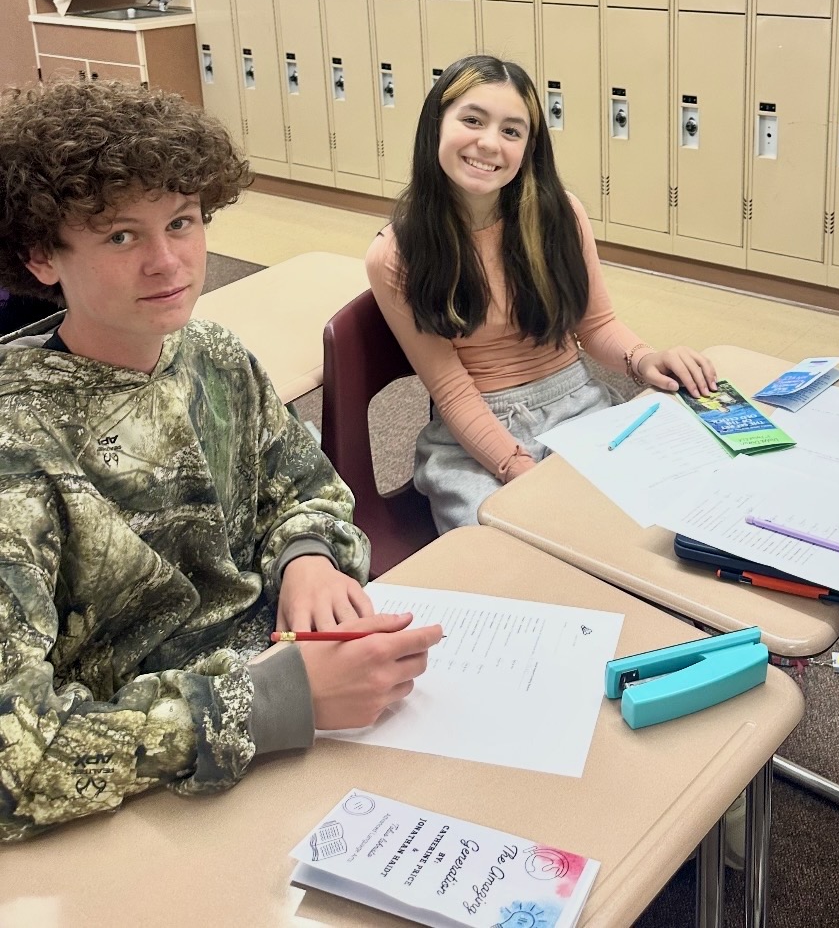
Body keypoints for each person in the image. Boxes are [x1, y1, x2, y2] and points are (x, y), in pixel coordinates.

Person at [0, 80, 442, 843]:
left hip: (292, 686)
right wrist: (273, 702)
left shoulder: (213, 354)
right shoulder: (18, 450)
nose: (167, 262)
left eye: (182, 222)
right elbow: (18, 760)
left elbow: (302, 484)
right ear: (42, 254)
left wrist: (308, 556)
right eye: (120, 236)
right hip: (149, 797)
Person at [366, 54, 716, 534]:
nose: (489, 143)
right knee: (504, 553)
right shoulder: (396, 253)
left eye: (512, 131)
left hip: (579, 406)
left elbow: (595, 325)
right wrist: (517, 468)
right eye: (472, 120)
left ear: (529, 147)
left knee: (655, 525)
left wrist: (645, 359)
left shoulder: (559, 215)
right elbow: (449, 389)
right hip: (473, 434)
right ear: (435, 125)